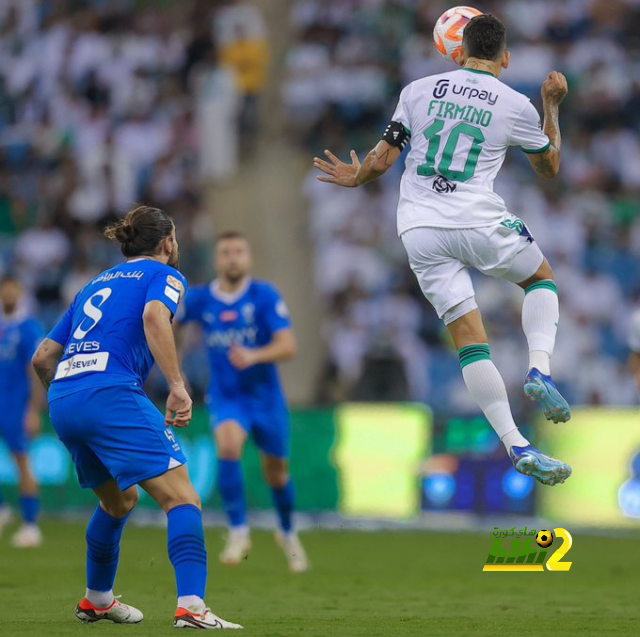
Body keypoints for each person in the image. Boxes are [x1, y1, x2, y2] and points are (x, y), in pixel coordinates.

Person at [313, 14, 571, 486]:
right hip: (476, 216)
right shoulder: (515, 104)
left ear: (458, 50)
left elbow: (383, 157)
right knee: (540, 278)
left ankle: (516, 444)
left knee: (469, 340)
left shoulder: (417, 90)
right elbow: (549, 168)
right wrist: (551, 107)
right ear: (505, 58)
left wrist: (356, 178)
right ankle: (540, 370)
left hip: (418, 227)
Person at [31, 206, 242, 630]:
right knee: (182, 498)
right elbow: (152, 317)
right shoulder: (165, 276)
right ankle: (192, 607)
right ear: (167, 242)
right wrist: (177, 385)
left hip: (64, 395)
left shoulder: (93, 283)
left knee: (118, 501)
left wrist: (70, 397)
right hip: (110, 391)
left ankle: (97, 600)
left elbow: (42, 358)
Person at [176, 231, 308, 572]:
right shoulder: (202, 298)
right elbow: (168, 320)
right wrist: (173, 364)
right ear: (216, 259)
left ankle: (287, 531)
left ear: (248, 258)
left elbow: (288, 346)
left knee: (276, 474)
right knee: (228, 446)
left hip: (265, 398)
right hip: (227, 395)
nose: (232, 257)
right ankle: (238, 531)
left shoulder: (264, 296)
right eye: (225, 252)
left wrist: (254, 355)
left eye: (238, 251)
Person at [0, 276, 44, 547]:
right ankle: (3, 507)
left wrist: (33, 411)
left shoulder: (29, 328)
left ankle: (31, 525)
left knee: (22, 463)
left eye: (12, 289)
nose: (8, 294)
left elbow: (35, 373)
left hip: (16, 407)